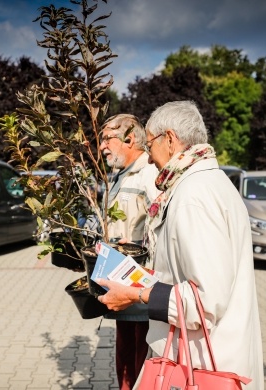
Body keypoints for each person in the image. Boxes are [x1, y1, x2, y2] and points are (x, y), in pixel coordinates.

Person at [96, 101, 264, 389]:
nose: (148, 159)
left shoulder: (192, 196)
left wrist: (137, 296)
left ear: (170, 140)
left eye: (149, 146)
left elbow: (204, 303)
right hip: (207, 358)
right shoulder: (208, 182)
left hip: (201, 366)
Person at [99, 114, 160, 390]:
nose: (101, 147)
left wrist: (138, 249)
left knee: (140, 359)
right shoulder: (119, 174)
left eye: (106, 139)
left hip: (139, 285)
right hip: (120, 281)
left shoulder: (148, 173)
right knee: (124, 356)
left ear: (130, 139)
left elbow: (161, 225)